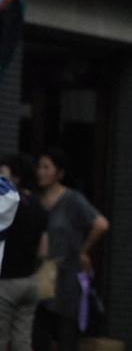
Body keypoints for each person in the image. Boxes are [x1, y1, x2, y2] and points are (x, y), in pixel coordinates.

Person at [32, 148, 109, 351]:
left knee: (67, 339)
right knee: (39, 339)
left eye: (46, 167)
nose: (41, 172)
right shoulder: (36, 201)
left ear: (60, 173)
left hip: (66, 281)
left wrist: (83, 251)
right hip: (39, 278)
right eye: (39, 167)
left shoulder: (72, 200)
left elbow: (101, 224)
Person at [0, 154, 48, 351]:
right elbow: (44, 251)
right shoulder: (39, 206)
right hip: (30, 282)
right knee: (23, 341)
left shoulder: (8, 205)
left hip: (6, 282)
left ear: (16, 177)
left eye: (3, 173)